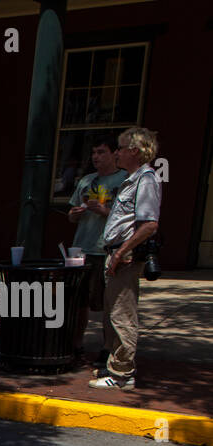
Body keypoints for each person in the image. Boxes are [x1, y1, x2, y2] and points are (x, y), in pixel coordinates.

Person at [92, 126, 162, 391]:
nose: (117, 153)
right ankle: (113, 362)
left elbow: (149, 225)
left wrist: (121, 253)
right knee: (112, 311)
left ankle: (122, 373)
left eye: (120, 148)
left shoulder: (146, 179)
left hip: (125, 254)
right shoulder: (131, 178)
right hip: (115, 252)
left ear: (134, 150)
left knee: (122, 313)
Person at [67, 134, 127, 364]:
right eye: (93, 153)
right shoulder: (86, 181)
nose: (96, 157)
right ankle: (76, 344)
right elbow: (72, 215)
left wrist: (103, 210)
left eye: (102, 152)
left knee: (107, 303)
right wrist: (74, 214)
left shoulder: (124, 180)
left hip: (106, 249)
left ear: (114, 154)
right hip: (81, 249)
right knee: (78, 301)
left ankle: (107, 347)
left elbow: (127, 217)